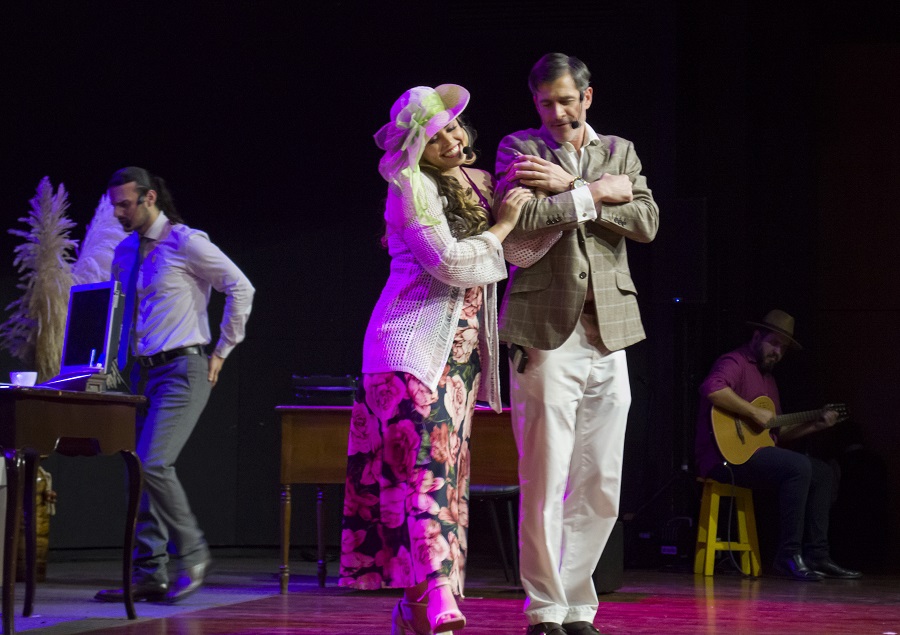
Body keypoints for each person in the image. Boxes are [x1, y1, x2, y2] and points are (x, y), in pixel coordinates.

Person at [339, 85, 530, 635]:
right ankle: (441, 592)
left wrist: (579, 195)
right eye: (434, 136)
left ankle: (415, 606)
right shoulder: (409, 185)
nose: (450, 140)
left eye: (454, 128)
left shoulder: (475, 182)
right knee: (425, 472)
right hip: (409, 349)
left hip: (460, 359)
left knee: (443, 477)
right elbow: (448, 262)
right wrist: (501, 226)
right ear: (414, 148)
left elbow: (520, 246)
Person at [494, 53, 659, 635]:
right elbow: (523, 220)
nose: (557, 113)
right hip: (545, 329)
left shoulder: (621, 150)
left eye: (566, 100)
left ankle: (576, 602)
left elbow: (646, 221)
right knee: (546, 475)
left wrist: (572, 187)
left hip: (609, 330)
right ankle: (544, 608)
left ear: (587, 96)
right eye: (546, 103)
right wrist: (596, 193)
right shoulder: (520, 148)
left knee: (601, 480)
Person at [96, 167, 255, 603]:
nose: (119, 213)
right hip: (141, 373)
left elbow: (241, 288)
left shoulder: (186, 242)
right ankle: (151, 573)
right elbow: (121, 313)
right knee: (137, 468)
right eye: (114, 206)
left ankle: (195, 553)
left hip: (183, 370)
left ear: (149, 198)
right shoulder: (125, 250)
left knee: (154, 463)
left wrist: (222, 350)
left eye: (125, 205)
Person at [695, 309, 862, 581]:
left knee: (822, 472)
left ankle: (818, 554)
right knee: (798, 467)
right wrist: (752, 411)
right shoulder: (735, 361)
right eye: (774, 343)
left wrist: (816, 425)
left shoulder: (769, 379)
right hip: (722, 459)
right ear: (757, 337)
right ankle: (788, 554)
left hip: (755, 455)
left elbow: (778, 431)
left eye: (783, 348)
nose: (778, 352)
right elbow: (712, 388)